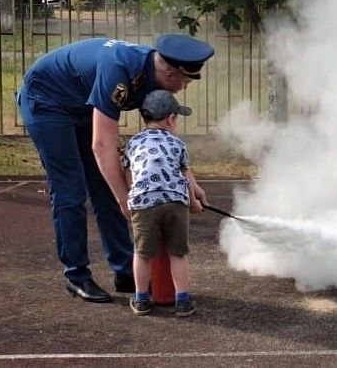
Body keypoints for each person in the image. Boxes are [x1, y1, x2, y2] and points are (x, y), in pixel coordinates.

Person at [17, 34, 214, 303]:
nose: (184, 88)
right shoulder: (119, 71)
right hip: (47, 100)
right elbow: (102, 146)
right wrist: (126, 202)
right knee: (70, 191)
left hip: (81, 106)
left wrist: (190, 182)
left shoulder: (152, 75)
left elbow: (163, 140)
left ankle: (125, 271)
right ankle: (76, 276)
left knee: (106, 185)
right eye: (185, 81)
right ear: (170, 74)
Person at [122, 89, 203, 317]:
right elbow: (186, 178)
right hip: (175, 201)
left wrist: (133, 199)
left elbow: (129, 177)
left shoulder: (132, 143)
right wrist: (194, 203)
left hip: (144, 202)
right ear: (170, 118)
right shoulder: (177, 144)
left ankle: (141, 299)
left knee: (142, 253)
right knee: (178, 253)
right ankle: (182, 300)